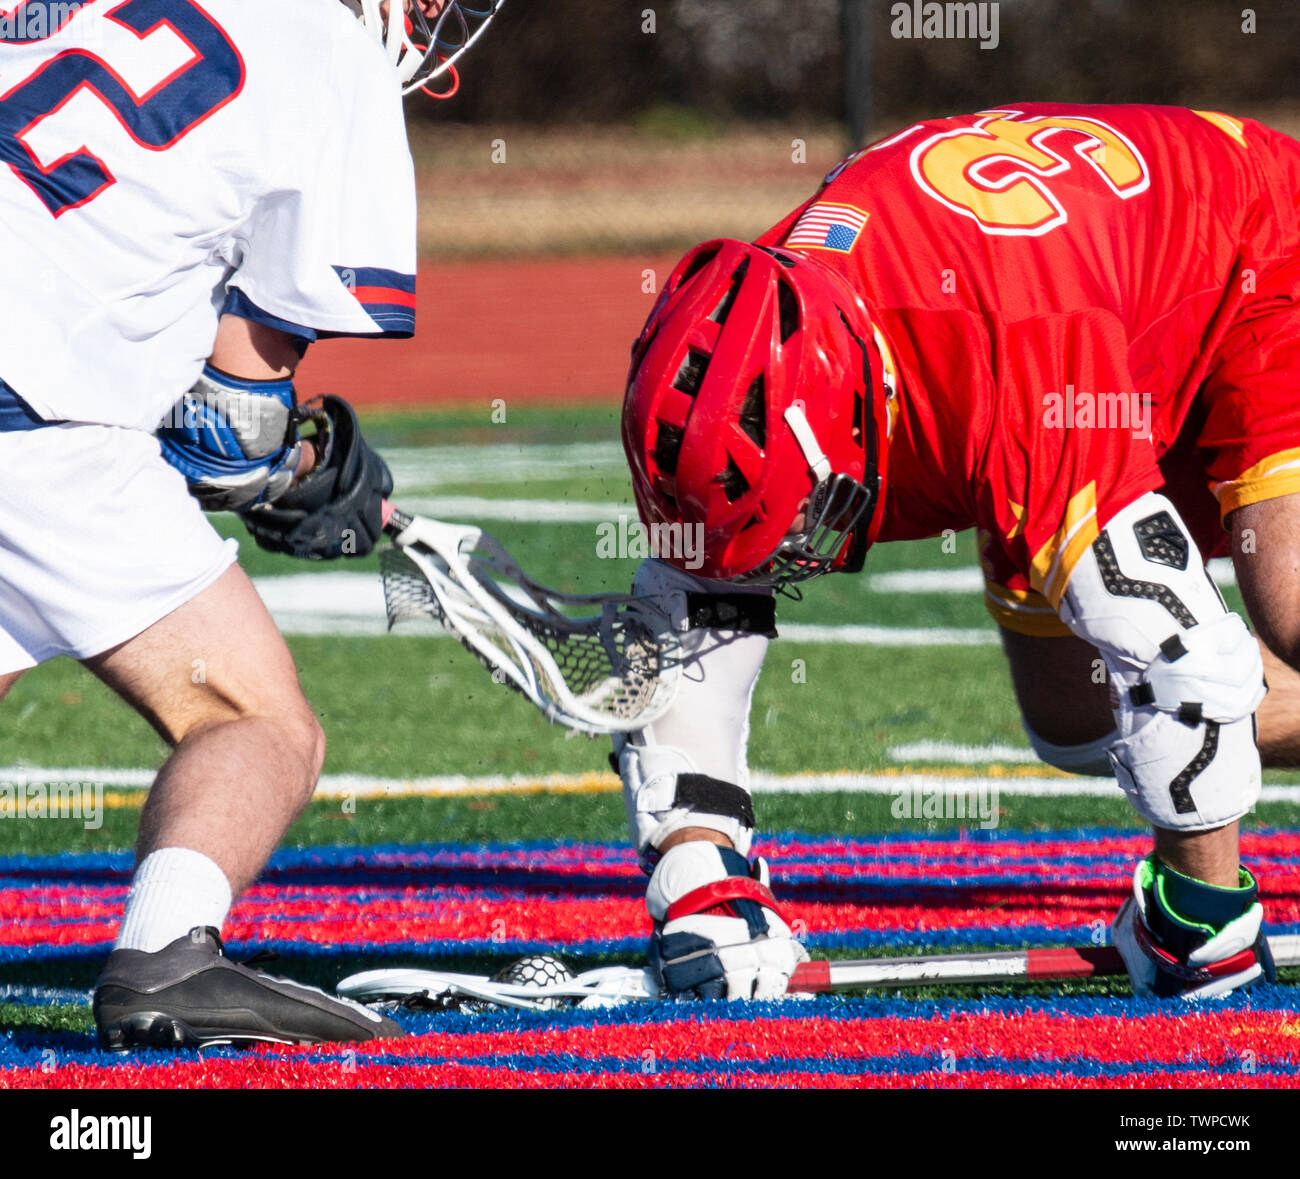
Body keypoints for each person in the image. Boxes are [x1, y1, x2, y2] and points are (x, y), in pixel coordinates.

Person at [618, 103, 1300, 1001]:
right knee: (1076, 718)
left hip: (1251, 249)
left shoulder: (1016, 364)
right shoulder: (747, 340)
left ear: (861, 411)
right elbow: (686, 605)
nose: (789, 556)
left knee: (1283, 604)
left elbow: (1178, 654)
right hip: (1070, 302)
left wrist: (1200, 909)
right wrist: (701, 884)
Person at [0, 0, 502, 1049]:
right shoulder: (330, 51)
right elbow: (230, 426)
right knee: (257, 719)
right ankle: (168, 956)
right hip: (31, 406)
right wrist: (299, 469)